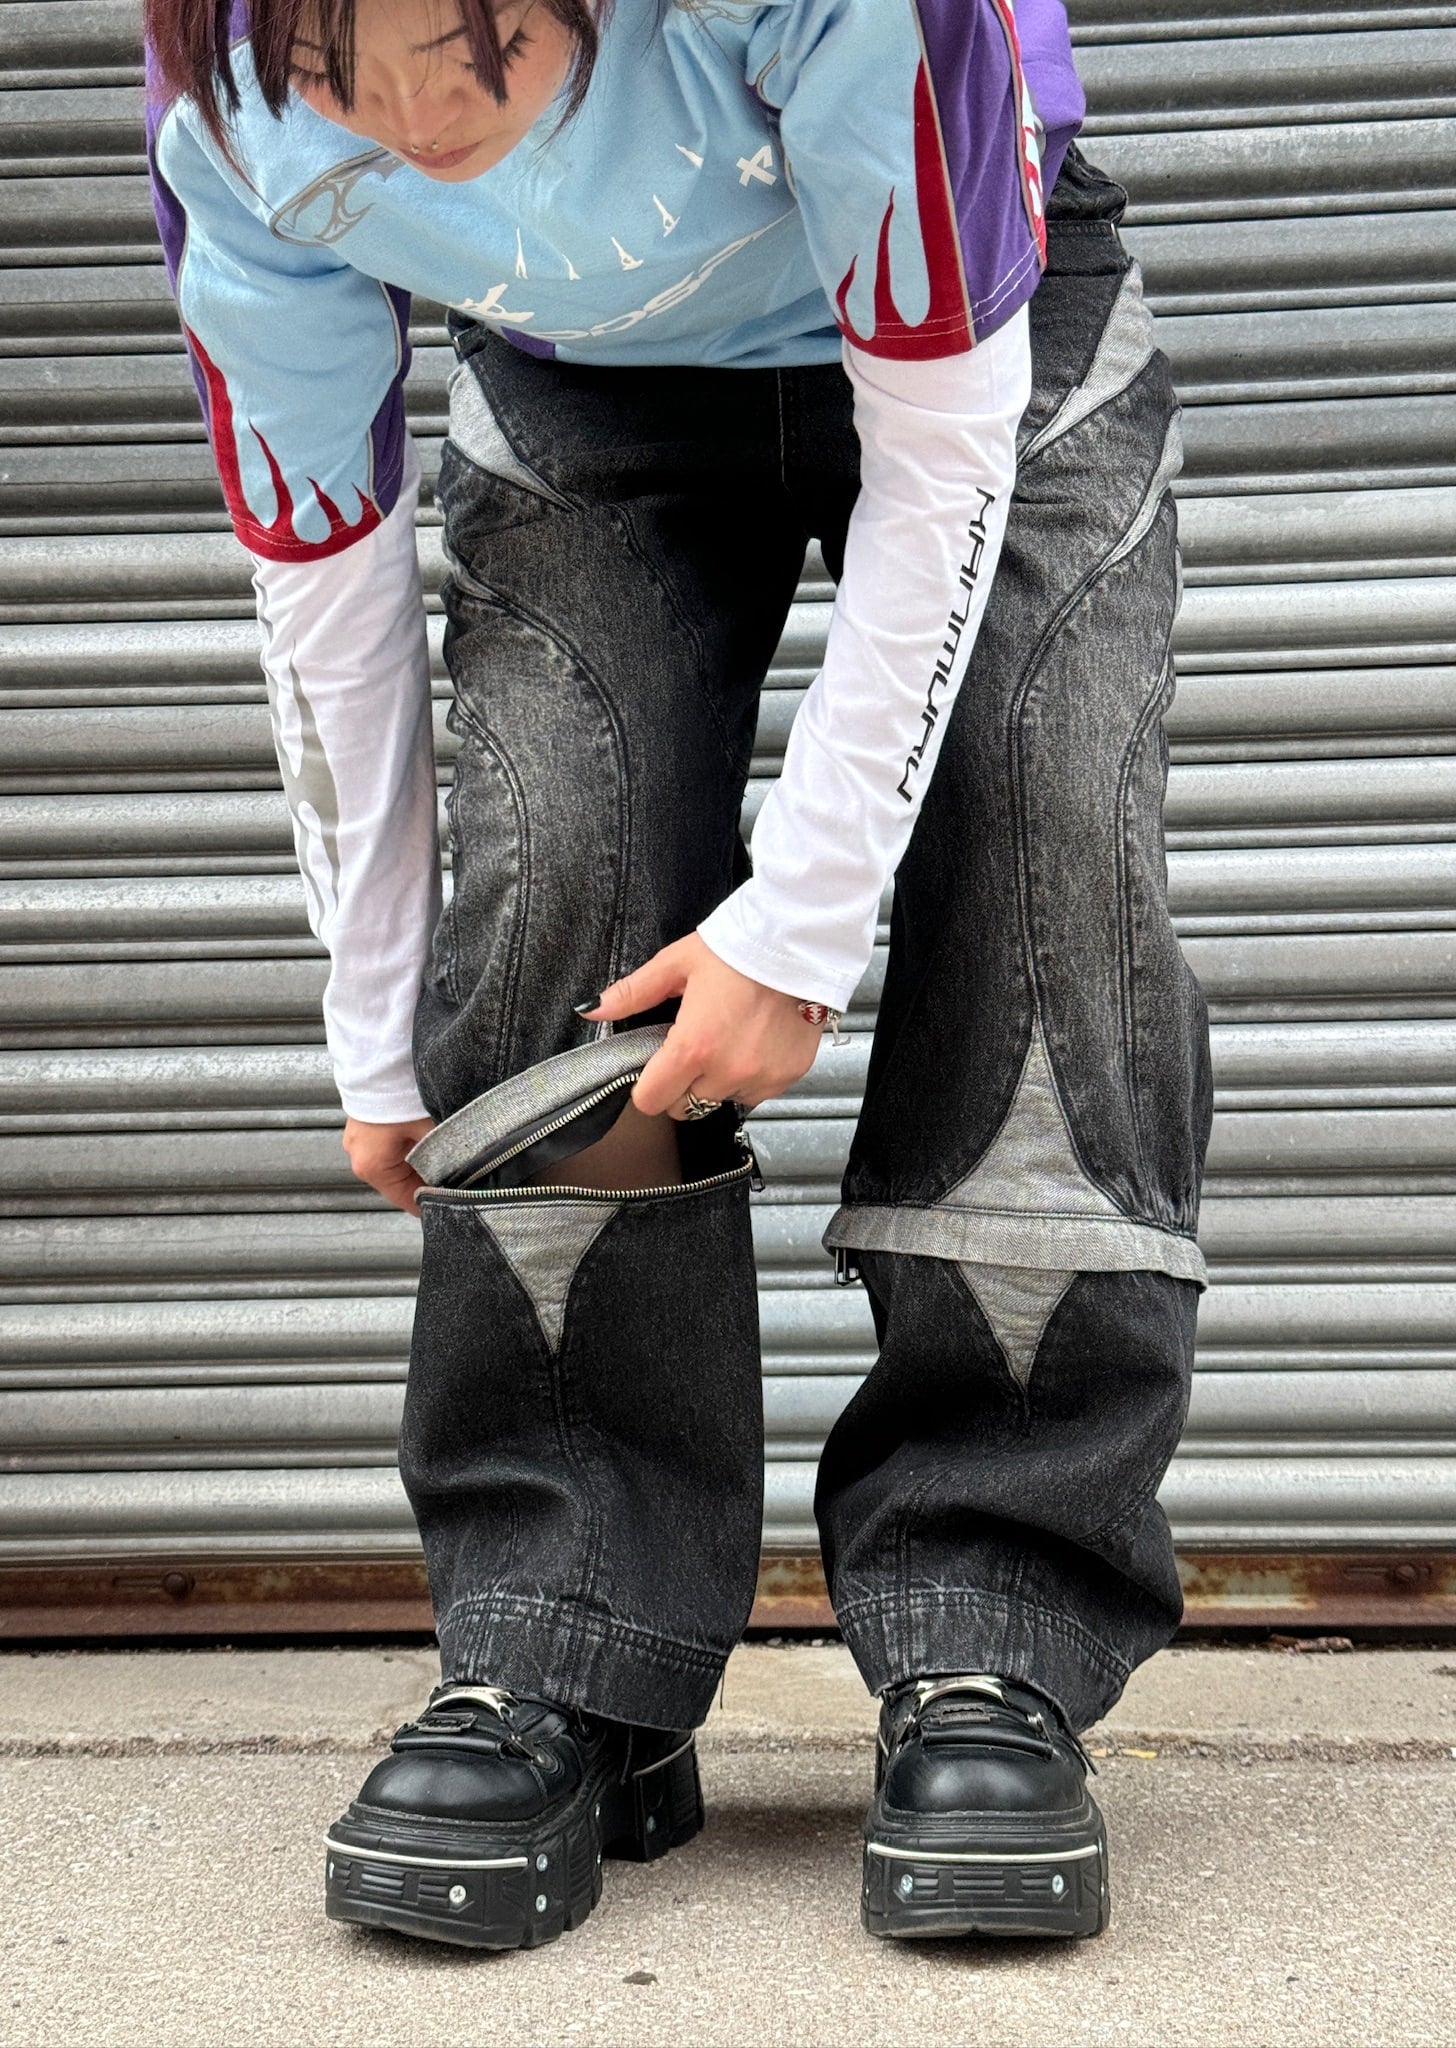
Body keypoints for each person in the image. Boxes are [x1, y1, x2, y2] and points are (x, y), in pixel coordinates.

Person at [146, 0, 1211, 1948]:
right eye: (338, 72)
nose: (412, 124)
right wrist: (374, 1019)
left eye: (468, 44)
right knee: (560, 831)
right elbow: (322, 563)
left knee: (1042, 804)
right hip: (587, 377)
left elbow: (941, 450)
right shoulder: (233, 110)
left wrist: (800, 922)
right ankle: (567, 1640)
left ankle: (996, 1620)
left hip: (989, 313)